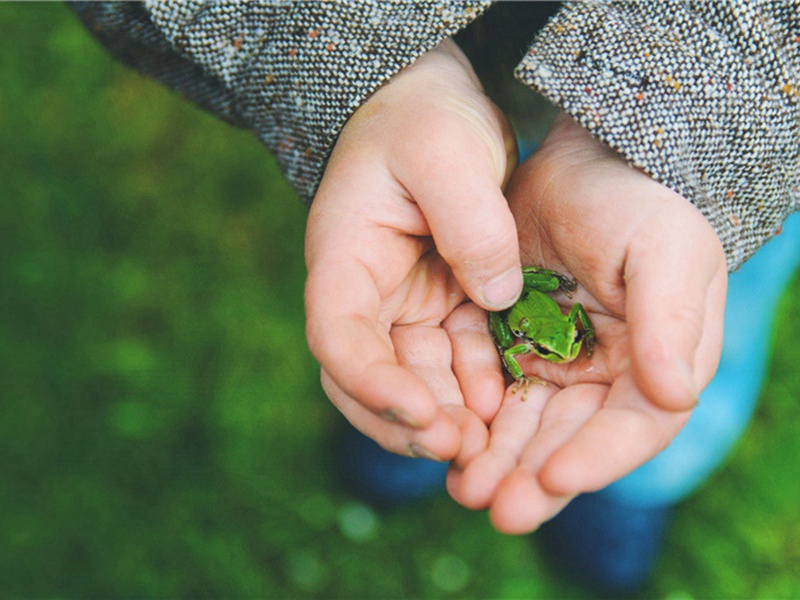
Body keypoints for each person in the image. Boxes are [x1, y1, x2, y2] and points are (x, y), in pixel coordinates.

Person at [71, 1, 800, 593]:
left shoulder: (581, 312)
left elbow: (564, 316)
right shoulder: (528, 335)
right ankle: (410, 438)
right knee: (405, 293)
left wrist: (691, 143)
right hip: (427, 92)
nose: (562, 350)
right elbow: (515, 331)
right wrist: (373, 65)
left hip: (727, 132)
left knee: (684, 321)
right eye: (559, 347)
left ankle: (639, 486)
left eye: (563, 346)